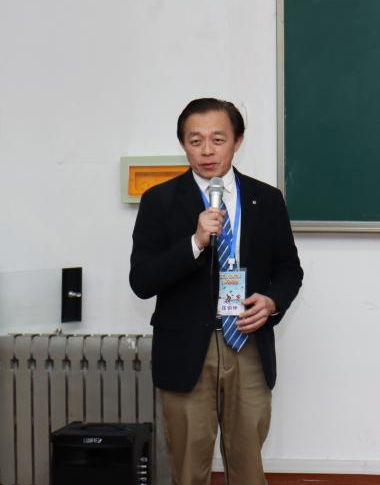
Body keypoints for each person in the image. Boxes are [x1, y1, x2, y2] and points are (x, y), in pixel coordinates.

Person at [130, 98, 304, 485]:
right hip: (186, 349)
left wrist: (272, 301)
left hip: (247, 341)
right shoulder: (159, 200)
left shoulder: (267, 199)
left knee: (248, 466)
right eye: (196, 141)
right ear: (183, 144)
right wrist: (194, 242)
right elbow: (142, 281)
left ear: (237, 141)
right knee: (189, 467)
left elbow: (289, 270)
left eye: (218, 139)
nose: (207, 151)